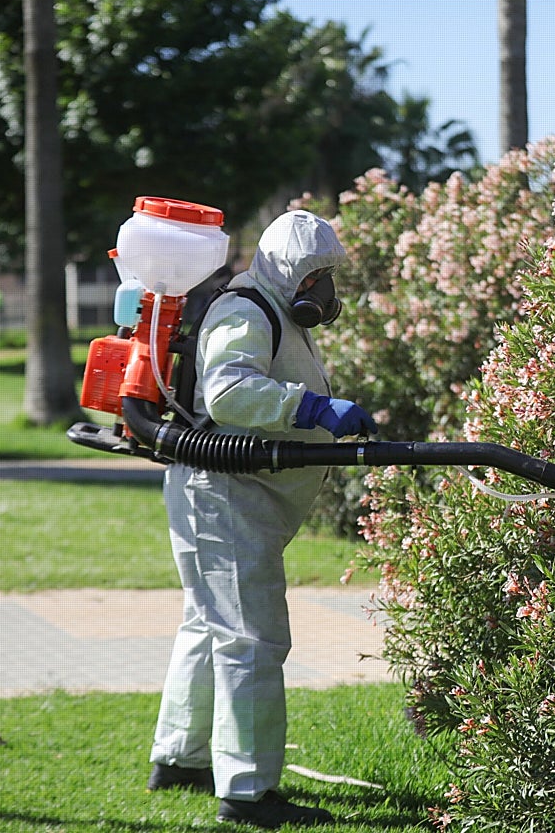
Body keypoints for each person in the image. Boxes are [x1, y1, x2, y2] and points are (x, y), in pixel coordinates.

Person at [148, 210, 376, 828]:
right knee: (252, 641)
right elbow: (227, 395)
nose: (323, 290)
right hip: (225, 496)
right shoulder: (246, 311)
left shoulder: (274, 311)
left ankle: (179, 757)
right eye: (314, 274)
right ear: (286, 270)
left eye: (326, 275)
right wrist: (313, 408)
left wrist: (322, 411)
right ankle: (248, 793)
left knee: (209, 626)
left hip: (234, 498)